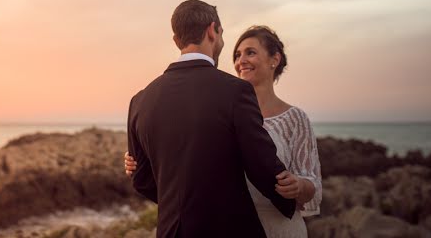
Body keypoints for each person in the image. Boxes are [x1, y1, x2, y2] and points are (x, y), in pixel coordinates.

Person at [126, 24, 322, 237]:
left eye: (251, 52)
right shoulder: (218, 108)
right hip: (224, 226)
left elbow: (312, 185)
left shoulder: (295, 119)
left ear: (275, 59)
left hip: (279, 226)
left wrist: (299, 186)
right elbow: (185, 164)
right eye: (237, 55)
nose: (241, 60)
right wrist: (141, 158)